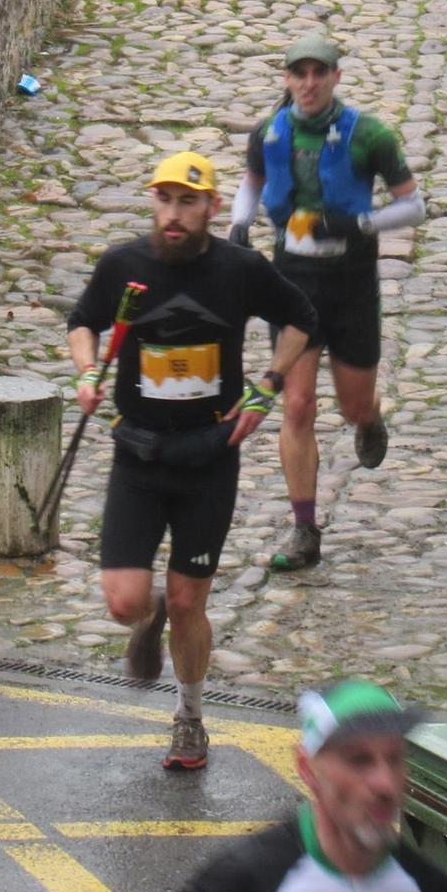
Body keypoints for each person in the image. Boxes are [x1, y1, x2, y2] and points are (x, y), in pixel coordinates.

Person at [67, 152, 314, 770]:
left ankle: (190, 717)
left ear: (210, 208)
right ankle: (148, 624)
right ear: (153, 203)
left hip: (209, 456)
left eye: (187, 203)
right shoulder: (126, 266)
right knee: (127, 601)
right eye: (164, 201)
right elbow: (82, 322)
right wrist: (89, 371)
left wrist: (265, 387)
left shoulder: (240, 269)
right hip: (138, 453)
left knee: (187, 602)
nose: (173, 215)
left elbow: (301, 319)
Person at [102, 680, 447, 892]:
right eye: (359, 760)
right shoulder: (249, 877)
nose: (384, 783)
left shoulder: (428, 891)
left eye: (394, 759)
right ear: (308, 769)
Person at [228, 32, 424, 571]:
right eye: (300, 74)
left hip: (351, 280)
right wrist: (239, 224)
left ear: (336, 77)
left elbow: (414, 206)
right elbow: (251, 182)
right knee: (296, 404)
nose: (309, 84)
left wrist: (362, 222)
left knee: (352, 403)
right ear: (287, 79)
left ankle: (369, 419)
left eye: (320, 73)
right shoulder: (269, 133)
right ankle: (304, 529)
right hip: (292, 281)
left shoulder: (370, 136)